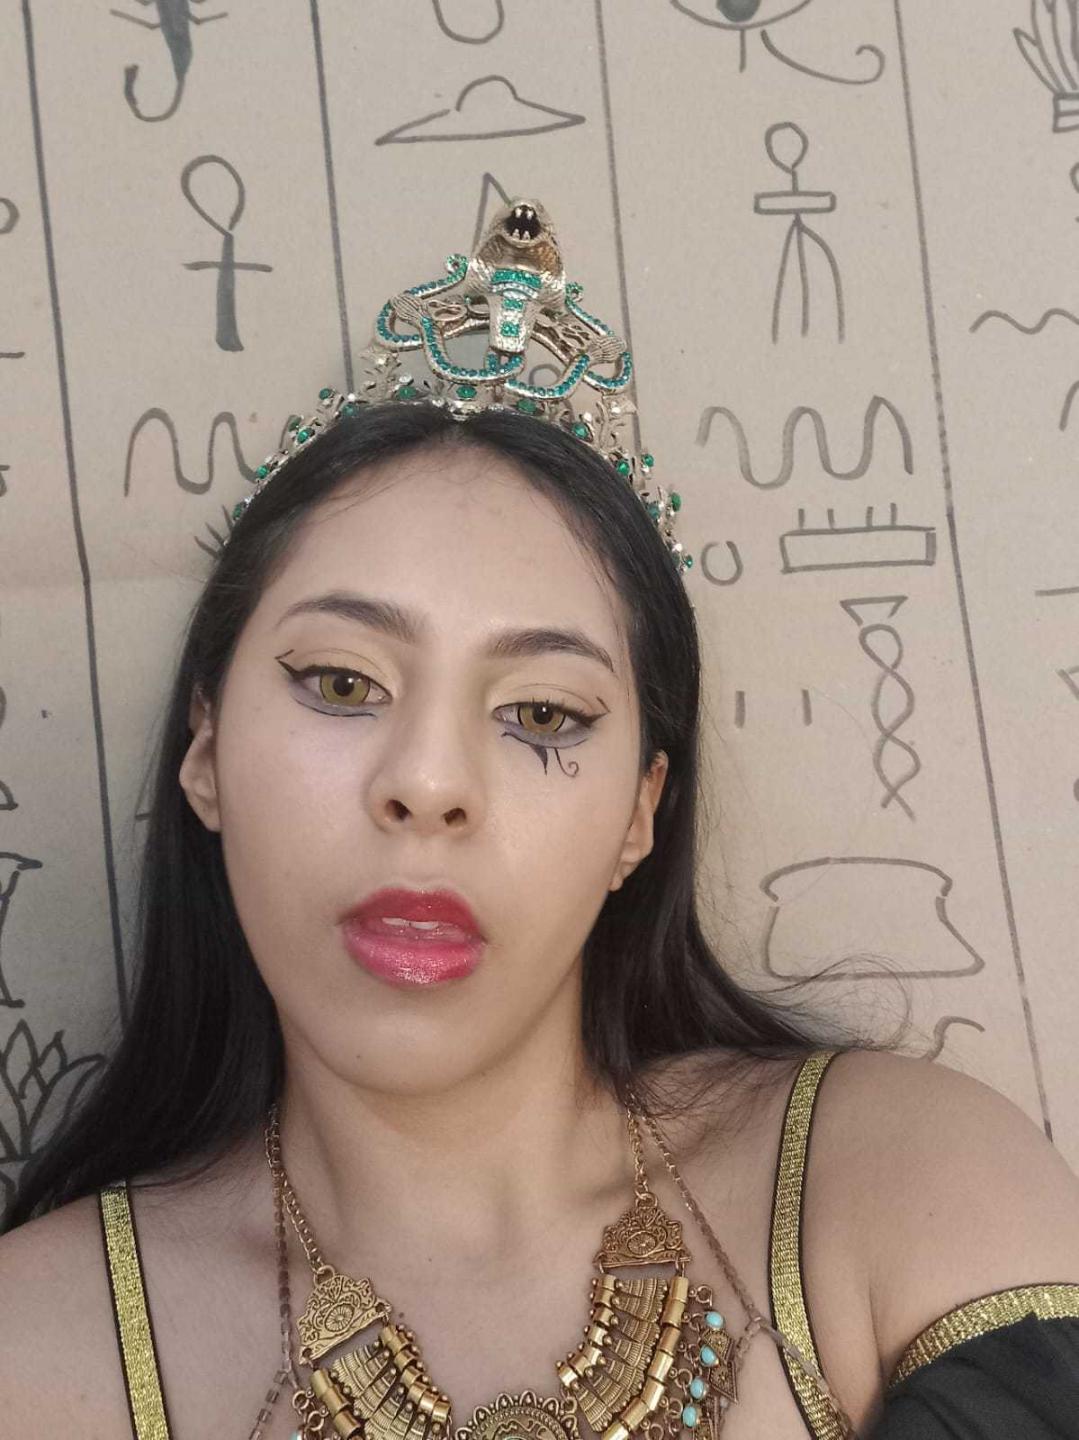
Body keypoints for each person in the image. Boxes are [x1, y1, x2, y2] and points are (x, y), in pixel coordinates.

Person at [1, 200, 1077, 1439]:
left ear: (639, 815)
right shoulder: (39, 1350)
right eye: (342, 684)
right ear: (205, 751)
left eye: (543, 714)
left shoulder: (899, 1186)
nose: (428, 783)